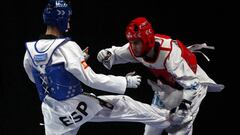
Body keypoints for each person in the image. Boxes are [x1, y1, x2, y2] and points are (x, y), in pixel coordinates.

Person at [23, 1, 171, 135]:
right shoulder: (67, 47)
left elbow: (37, 77)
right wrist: (126, 82)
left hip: (53, 114)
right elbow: (91, 79)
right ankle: (168, 119)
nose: (69, 23)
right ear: (61, 19)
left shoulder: (30, 51)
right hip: (75, 107)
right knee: (123, 104)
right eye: (68, 19)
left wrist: (73, 64)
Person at [97, 17, 224, 135]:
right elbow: (115, 54)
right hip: (166, 86)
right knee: (151, 129)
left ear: (147, 40)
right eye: (130, 42)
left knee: (178, 128)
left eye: (136, 42)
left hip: (192, 87)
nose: (132, 46)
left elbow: (192, 84)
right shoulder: (135, 49)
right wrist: (106, 54)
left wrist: (184, 106)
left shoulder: (170, 55)